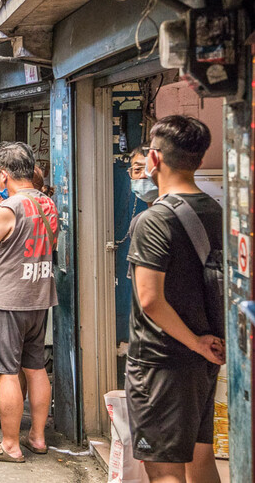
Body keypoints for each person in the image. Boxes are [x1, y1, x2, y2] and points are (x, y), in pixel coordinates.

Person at [126, 116, 224, 483]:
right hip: (204, 358)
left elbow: (150, 299)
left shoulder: (155, 220)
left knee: (165, 469)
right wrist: (202, 344)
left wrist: (196, 343)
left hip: (163, 359)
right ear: (197, 161)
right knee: (200, 460)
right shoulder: (215, 211)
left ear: (154, 159)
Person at [0, 142, 58, 463]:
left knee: (7, 373)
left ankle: (9, 445)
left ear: (2, 175)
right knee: (35, 369)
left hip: (7, 300)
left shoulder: (9, 208)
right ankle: (37, 437)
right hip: (39, 296)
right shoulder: (47, 204)